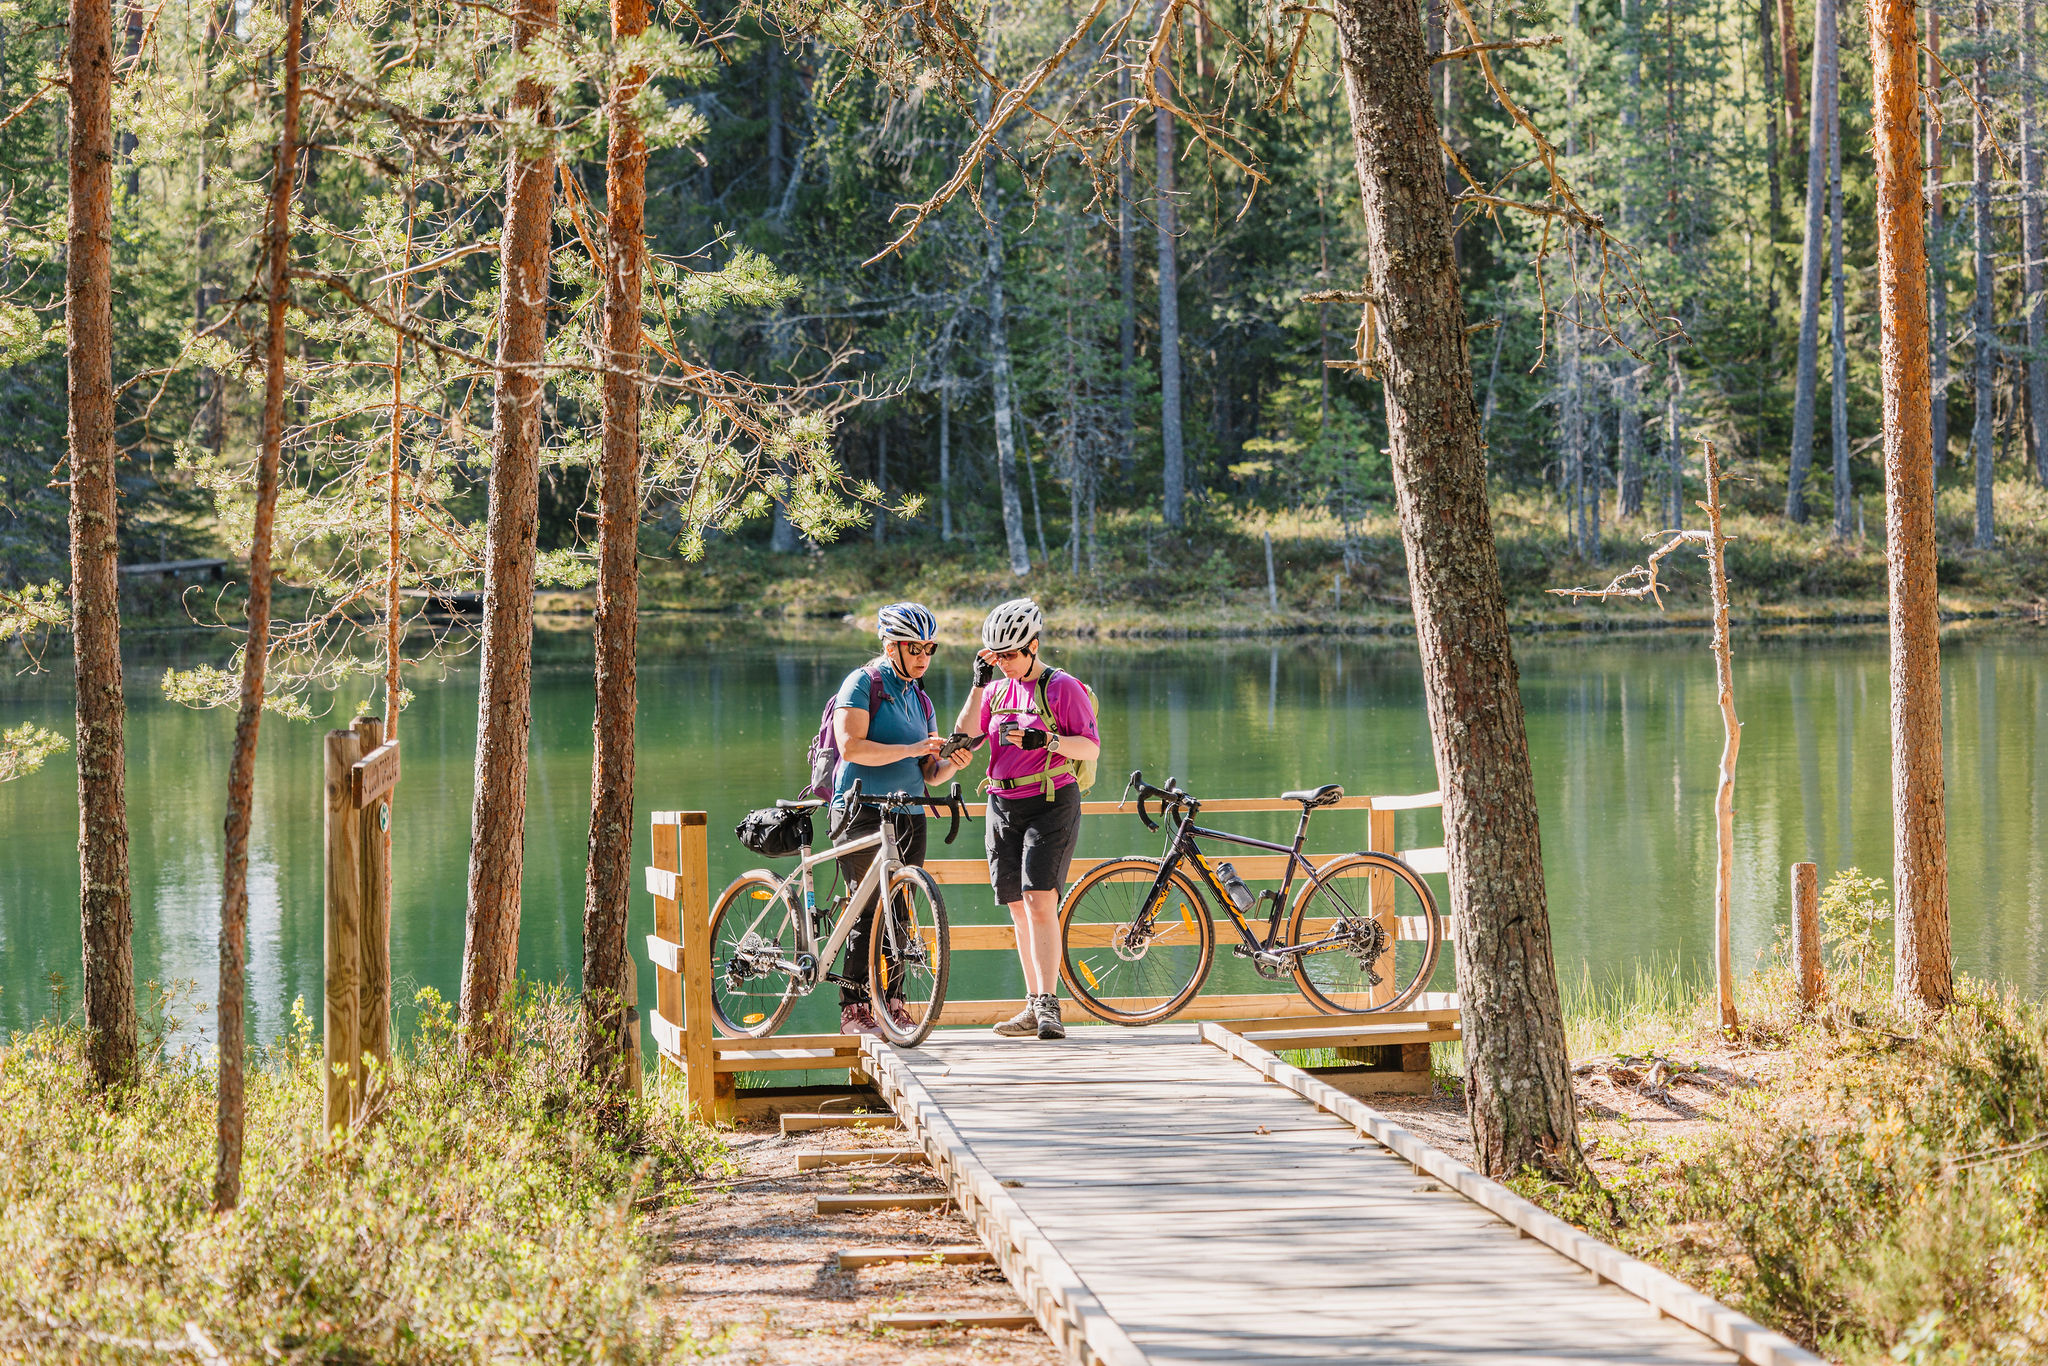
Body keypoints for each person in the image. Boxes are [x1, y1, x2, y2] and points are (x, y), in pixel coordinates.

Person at [953, 598, 1100, 1041]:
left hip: (1052, 800)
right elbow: (965, 735)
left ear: (1034, 646)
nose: (1005, 664)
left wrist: (1048, 740)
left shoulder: (1063, 688)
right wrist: (978, 684)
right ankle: (1033, 1004)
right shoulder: (995, 691)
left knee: (1040, 900)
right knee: (1017, 905)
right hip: (1002, 804)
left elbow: (1090, 749)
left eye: (1012, 655)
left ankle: (1049, 1006)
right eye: (995, 658)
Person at [831, 602, 971, 1038]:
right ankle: (854, 1009)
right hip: (859, 807)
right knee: (867, 907)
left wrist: (952, 764)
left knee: (903, 908)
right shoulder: (863, 682)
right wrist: (911, 750)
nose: (923, 656)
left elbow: (930, 772)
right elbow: (850, 746)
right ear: (891, 646)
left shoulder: (921, 697)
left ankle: (892, 1005)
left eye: (930, 647)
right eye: (915, 647)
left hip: (907, 811)